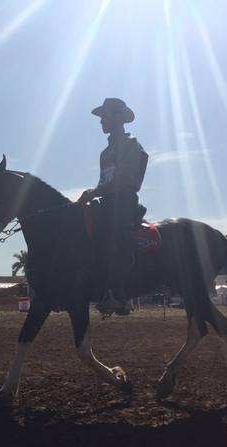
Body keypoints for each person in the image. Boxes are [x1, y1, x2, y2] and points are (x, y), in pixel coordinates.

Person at [77, 98, 148, 315]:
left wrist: (95, 192)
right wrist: (92, 195)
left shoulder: (130, 144)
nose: (101, 122)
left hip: (124, 202)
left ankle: (119, 294)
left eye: (104, 117)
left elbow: (127, 180)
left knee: (118, 238)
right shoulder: (104, 152)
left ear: (117, 119)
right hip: (107, 202)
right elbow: (104, 182)